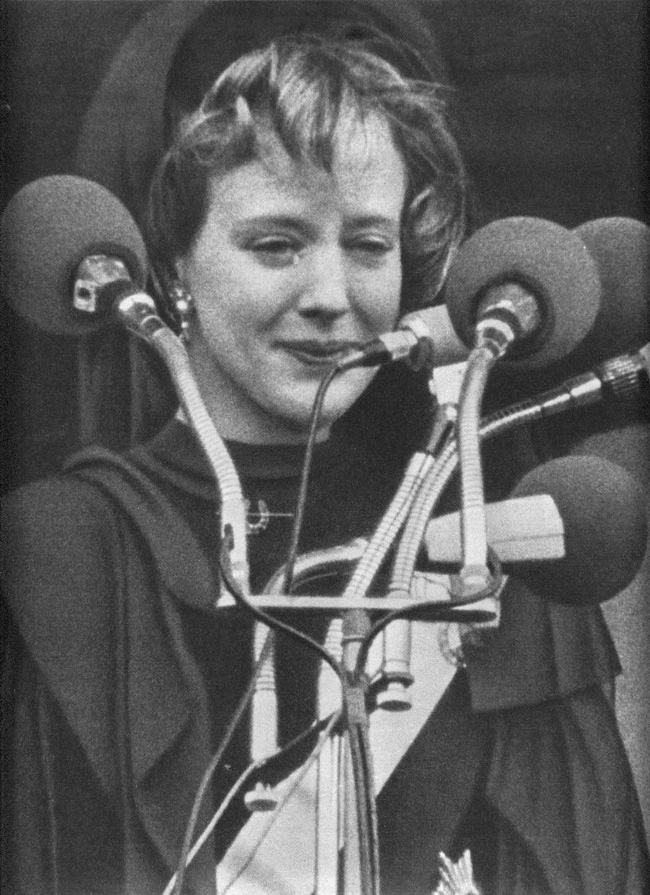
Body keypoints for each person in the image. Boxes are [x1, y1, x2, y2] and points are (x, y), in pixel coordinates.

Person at [1, 32, 648, 895]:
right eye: (276, 245)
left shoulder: (487, 542)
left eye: (369, 246)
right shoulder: (65, 554)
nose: (331, 297)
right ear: (176, 266)